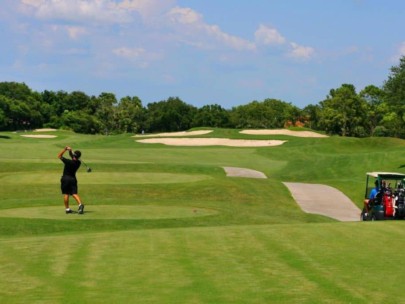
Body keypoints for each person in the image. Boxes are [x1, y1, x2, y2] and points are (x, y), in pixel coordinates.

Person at [58, 146, 85, 214]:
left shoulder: (68, 161)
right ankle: (80, 204)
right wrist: (70, 151)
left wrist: (65, 149)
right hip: (73, 179)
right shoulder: (78, 163)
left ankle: (67, 209)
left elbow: (59, 156)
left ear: (74, 156)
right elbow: (72, 156)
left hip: (65, 179)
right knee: (74, 193)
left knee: (66, 193)